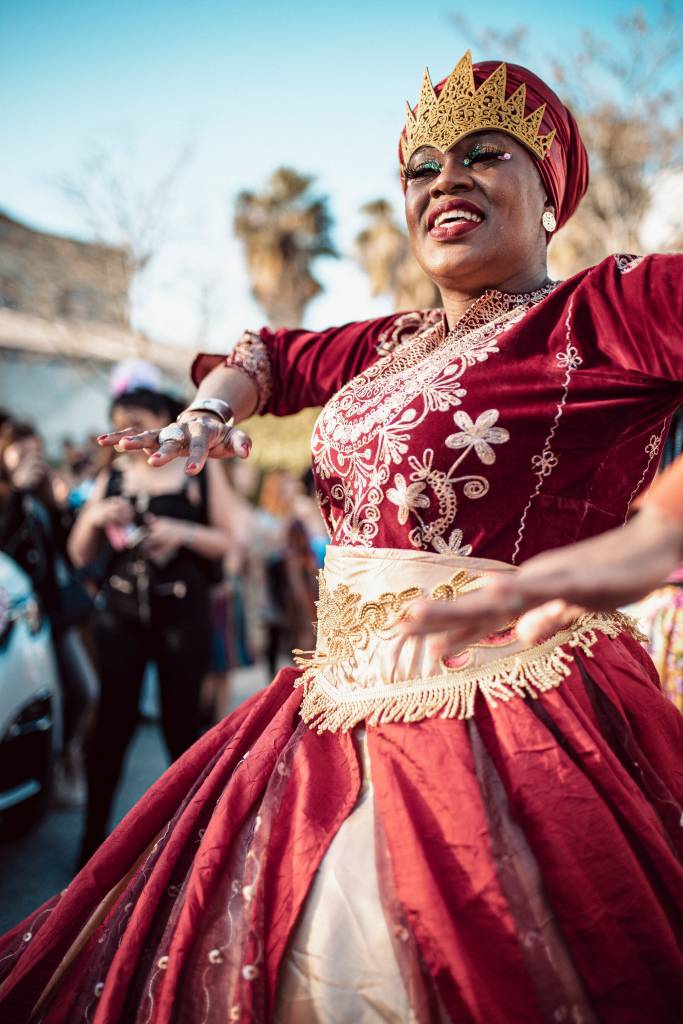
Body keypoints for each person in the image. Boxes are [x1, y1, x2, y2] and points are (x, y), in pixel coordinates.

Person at [1, 50, 682, 1024]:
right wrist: (205, 411)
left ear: (551, 195)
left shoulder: (597, 310)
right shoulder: (385, 342)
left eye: (485, 153)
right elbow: (267, 356)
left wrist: (646, 538)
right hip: (325, 707)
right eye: (420, 167)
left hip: (509, 714)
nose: (444, 177)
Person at [66, 373, 235, 863]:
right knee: (110, 728)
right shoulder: (113, 475)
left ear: (165, 421)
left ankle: (190, 847)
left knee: (183, 729)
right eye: (120, 428)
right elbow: (80, 554)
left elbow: (231, 541)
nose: (129, 437)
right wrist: (94, 518)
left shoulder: (199, 467)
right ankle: (91, 842)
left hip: (184, 616)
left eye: (138, 425)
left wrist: (180, 532)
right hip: (120, 617)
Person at [0, 421, 98, 805]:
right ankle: (56, 768)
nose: (31, 460)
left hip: (54, 617)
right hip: (24, 625)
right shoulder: (10, 499)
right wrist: (20, 491)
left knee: (86, 690)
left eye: (36, 452)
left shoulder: (40, 498)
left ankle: (66, 759)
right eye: (21, 452)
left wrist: (62, 506)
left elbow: (63, 550)